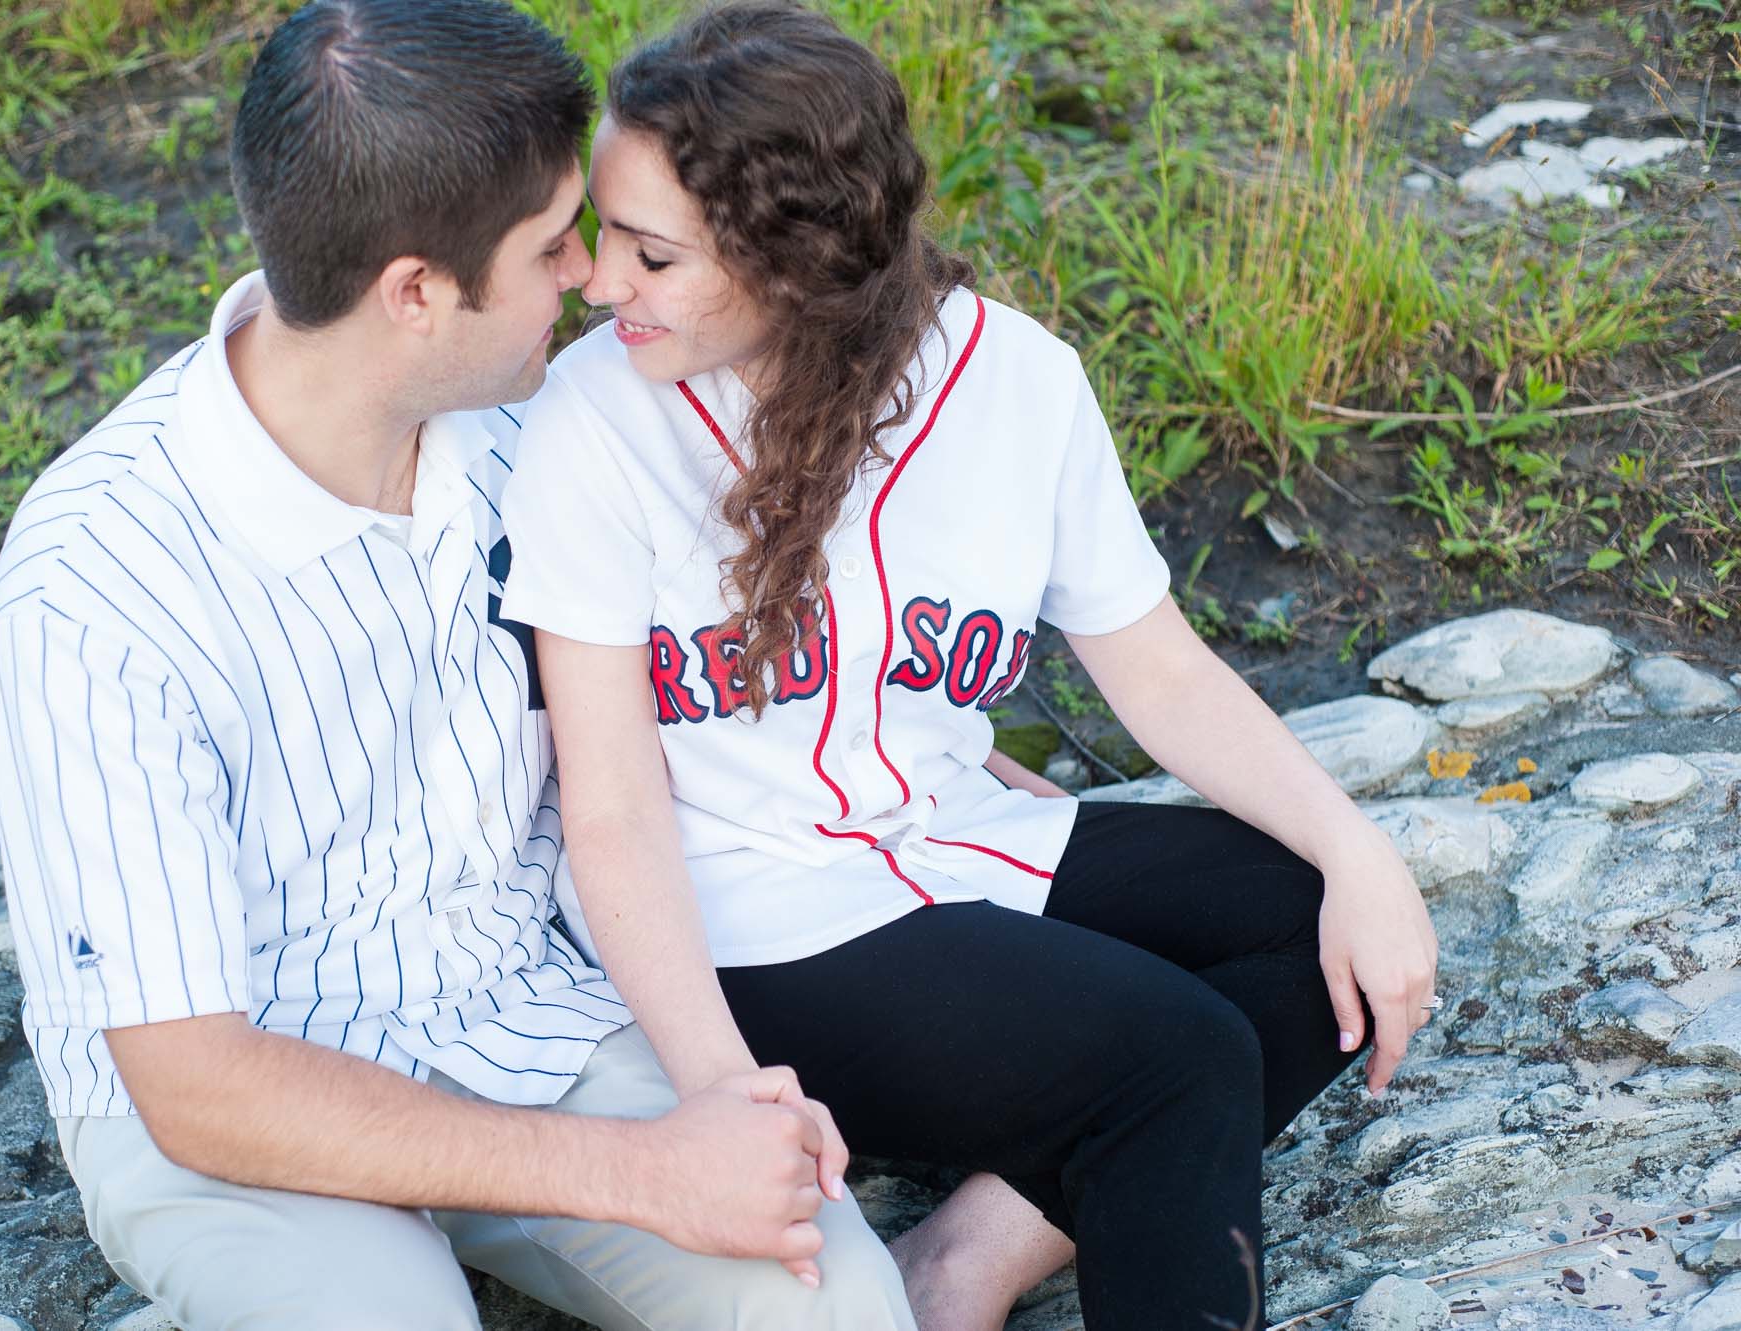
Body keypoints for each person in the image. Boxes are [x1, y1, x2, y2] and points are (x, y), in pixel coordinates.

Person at [0, 2, 917, 1327]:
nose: (591, 277)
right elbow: (194, 1078)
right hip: (245, 1111)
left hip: (528, 1010)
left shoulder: (541, 430)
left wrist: (949, 775)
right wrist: (641, 1171)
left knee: (839, 1307)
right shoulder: (96, 591)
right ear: (414, 292)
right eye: (547, 247)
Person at [496, 5, 1442, 1330]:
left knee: (1316, 934)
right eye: (608, 239)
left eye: (652, 255)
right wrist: (716, 1086)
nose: (602, 286)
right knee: (1174, 1056)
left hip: (957, 842)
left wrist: (1364, 857)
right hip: (741, 920)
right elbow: (606, 805)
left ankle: (963, 1261)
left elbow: (1157, 673)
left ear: (796, 261)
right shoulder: (594, 419)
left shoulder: (1016, 384)